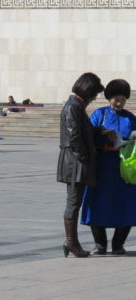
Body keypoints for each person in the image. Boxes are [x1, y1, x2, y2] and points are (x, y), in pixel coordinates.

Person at [81, 79, 136, 255]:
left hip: (124, 170)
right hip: (102, 167)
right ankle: (100, 244)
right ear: (109, 98)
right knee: (96, 203)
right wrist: (105, 137)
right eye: (116, 99)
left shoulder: (130, 118)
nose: (120, 103)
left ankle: (118, 244)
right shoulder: (99, 114)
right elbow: (88, 136)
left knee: (126, 205)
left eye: (123, 99)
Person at [57, 72, 104, 258]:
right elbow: (74, 136)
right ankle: (71, 241)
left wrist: (98, 132)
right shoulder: (73, 107)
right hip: (75, 162)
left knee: (75, 201)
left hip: (76, 160)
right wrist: (84, 157)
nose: (93, 99)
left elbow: (81, 132)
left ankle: (72, 241)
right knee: (74, 201)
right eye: (93, 95)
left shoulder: (76, 106)